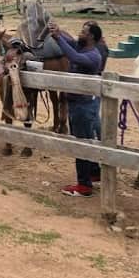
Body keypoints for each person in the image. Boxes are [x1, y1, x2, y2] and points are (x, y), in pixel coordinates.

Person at [48, 20, 104, 197]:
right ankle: (94, 172)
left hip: (83, 106)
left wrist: (58, 37)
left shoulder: (92, 56)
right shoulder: (82, 48)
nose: (79, 34)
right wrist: (57, 32)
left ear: (91, 37)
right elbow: (69, 44)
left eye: (83, 32)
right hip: (83, 104)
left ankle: (84, 185)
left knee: (81, 144)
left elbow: (73, 57)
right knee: (88, 140)